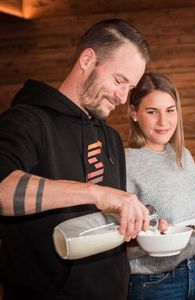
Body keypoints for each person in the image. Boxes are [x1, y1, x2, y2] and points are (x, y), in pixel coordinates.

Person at [0, 19, 151, 299]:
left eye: (129, 87)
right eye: (119, 81)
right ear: (87, 59)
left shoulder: (111, 138)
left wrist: (143, 223)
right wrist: (95, 193)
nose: (122, 98)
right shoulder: (26, 121)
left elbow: (106, 225)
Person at [125, 72, 195, 300]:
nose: (163, 122)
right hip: (152, 283)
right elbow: (121, 231)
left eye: (170, 110)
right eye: (152, 112)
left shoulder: (183, 156)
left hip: (192, 271)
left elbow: (178, 215)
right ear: (134, 113)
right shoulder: (125, 161)